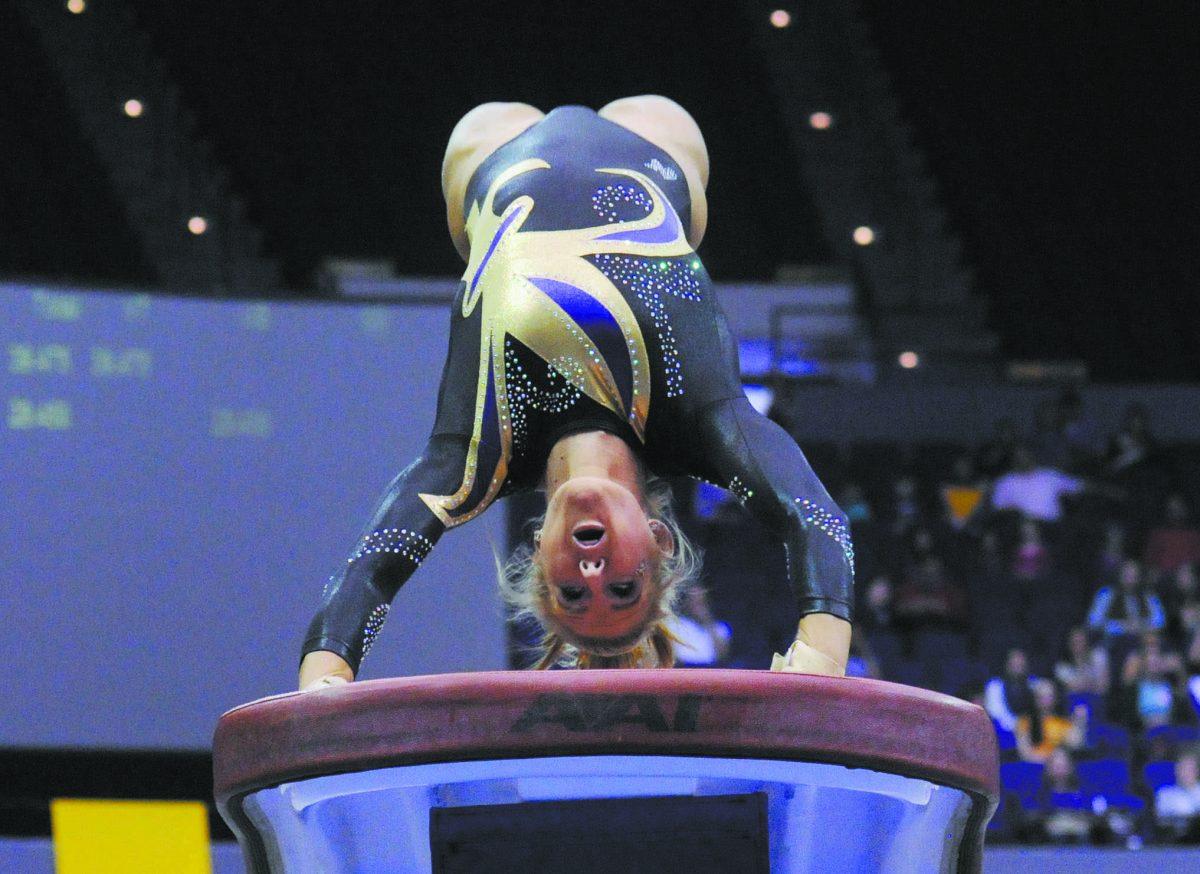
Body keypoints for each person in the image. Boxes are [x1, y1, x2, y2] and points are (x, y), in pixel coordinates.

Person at [297, 98, 854, 689]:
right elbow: (816, 518)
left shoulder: (479, 457)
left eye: (571, 592)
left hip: (493, 152)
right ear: (660, 541)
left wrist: (326, 676)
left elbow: (373, 567)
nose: (593, 571)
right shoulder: (698, 423)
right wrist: (820, 657)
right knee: (668, 124)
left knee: (478, 138)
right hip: (656, 150)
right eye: (622, 589)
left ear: (538, 550)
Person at [1155, 751, 1200, 842]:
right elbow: (1162, 821)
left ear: (1197, 771)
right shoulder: (1165, 794)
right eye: (1182, 768)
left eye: (1190, 769)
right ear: (1176, 771)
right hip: (1175, 841)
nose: (1186, 773)